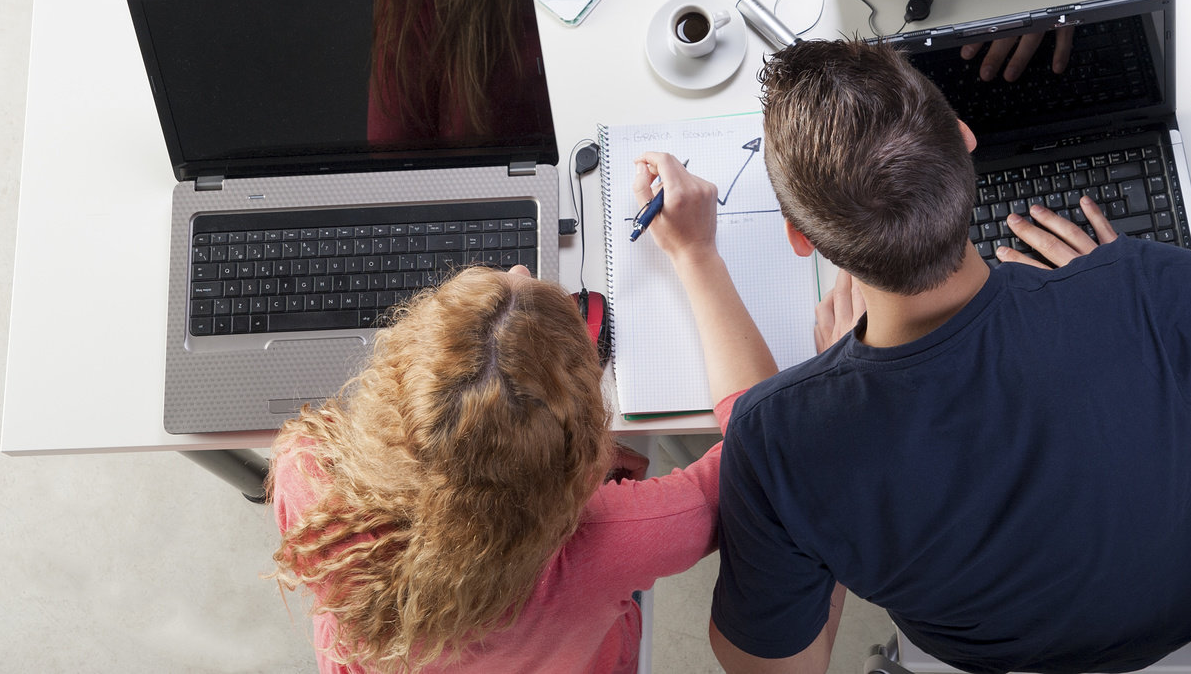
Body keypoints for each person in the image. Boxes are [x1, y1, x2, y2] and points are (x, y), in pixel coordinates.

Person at [708, 40, 1191, 674]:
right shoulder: (1137, 287)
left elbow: (776, 666)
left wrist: (829, 399)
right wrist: (1122, 283)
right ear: (966, 141)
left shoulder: (776, 437)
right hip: (1186, 605)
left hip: (974, 651)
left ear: (800, 237)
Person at [269, 152, 802, 674]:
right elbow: (765, 453)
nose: (521, 267)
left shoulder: (308, 471)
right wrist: (696, 254)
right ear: (584, 446)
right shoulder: (618, 542)